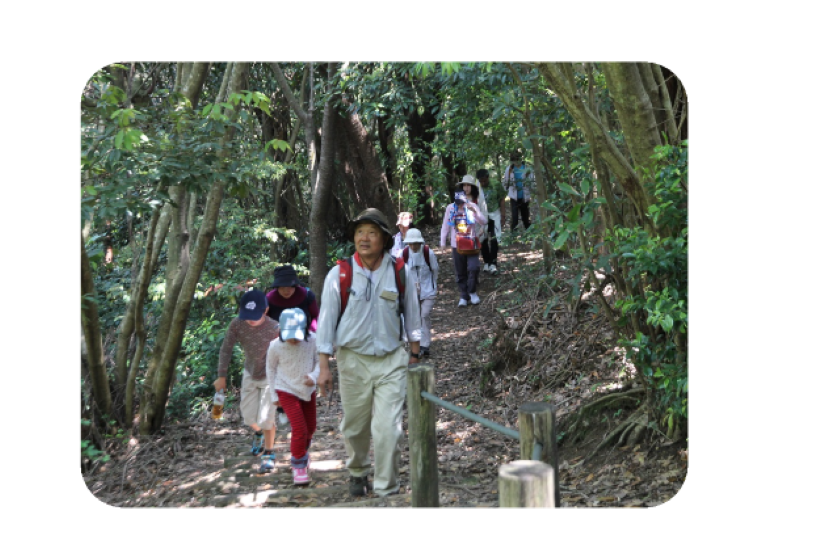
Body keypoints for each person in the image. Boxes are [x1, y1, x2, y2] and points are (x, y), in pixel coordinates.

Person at [317, 208, 422, 497]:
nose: (364, 238)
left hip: (391, 360)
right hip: (352, 360)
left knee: (388, 429)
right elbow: (326, 321)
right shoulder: (339, 273)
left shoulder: (399, 271)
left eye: (371, 232)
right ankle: (358, 470)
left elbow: (412, 315)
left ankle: (386, 489)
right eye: (360, 232)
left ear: (384, 239)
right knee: (354, 426)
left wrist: (414, 355)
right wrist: (324, 365)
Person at [213, 289, 279, 474]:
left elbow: (286, 354)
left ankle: (269, 452)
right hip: (250, 372)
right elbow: (226, 348)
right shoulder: (237, 324)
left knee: (267, 418)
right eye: (247, 315)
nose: (250, 319)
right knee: (249, 417)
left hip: (270, 375)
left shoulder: (275, 328)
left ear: (265, 310)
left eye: (255, 315)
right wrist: (221, 375)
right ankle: (258, 433)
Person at [266, 308, 320, 485]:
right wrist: (274, 394)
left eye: (296, 334)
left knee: (310, 427)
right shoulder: (275, 346)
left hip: (307, 389)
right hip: (286, 389)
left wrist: (313, 377)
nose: (293, 339)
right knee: (300, 428)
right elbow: (271, 369)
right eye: (289, 334)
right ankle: (298, 465)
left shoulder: (312, 341)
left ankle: (302, 453)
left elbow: (320, 362)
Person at [266, 265, 320, 428]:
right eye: (283, 287)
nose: (287, 290)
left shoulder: (306, 295)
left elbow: (316, 315)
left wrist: (311, 332)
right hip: (280, 340)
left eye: (290, 287)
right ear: (276, 287)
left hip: (304, 338)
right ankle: (283, 406)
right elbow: (265, 320)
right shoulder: (269, 299)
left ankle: (301, 404)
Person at [441, 178, 488, 307]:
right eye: (458, 203)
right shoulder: (450, 208)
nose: (460, 205)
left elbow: (484, 221)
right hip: (457, 245)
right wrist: (442, 243)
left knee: (474, 268)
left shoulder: (472, 206)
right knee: (460, 270)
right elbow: (445, 226)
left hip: (471, 243)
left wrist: (475, 213)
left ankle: (472, 291)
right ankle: (463, 295)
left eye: (462, 203)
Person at [402, 228, 439, 357]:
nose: (413, 246)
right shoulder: (404, 254)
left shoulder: (429, 253)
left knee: (424, 315)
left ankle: (425, 344)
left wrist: (433, 287)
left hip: (428, 290)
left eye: (415, 243)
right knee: (414, 317)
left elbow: (435, 270)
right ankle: (415, 344)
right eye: (410, 244)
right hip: (411, 292)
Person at [476, 169, 506, 274]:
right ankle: (486, 262)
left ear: (488, 177)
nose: (483, 183)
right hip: (482, 216)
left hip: (494, 214)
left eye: (484, 180)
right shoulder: (476, 187)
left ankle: (493, 263)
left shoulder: (496, 185)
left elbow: (502, 199)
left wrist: (503, 215)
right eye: (481, 181)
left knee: (494, 238)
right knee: (482, 239)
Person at [502, 151, 534, 232]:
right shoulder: (509, 169)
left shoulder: (527, 169)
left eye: (517, 159)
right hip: (514, 197)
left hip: (525, 197)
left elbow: (532, 181)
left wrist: (532, 192)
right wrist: (504, 190)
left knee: (525, 217)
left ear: (520, 158)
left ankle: (529, 233)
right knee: (514, 217)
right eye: (513, 159)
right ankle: (513, 235)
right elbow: (506, 181)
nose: (516, 161)